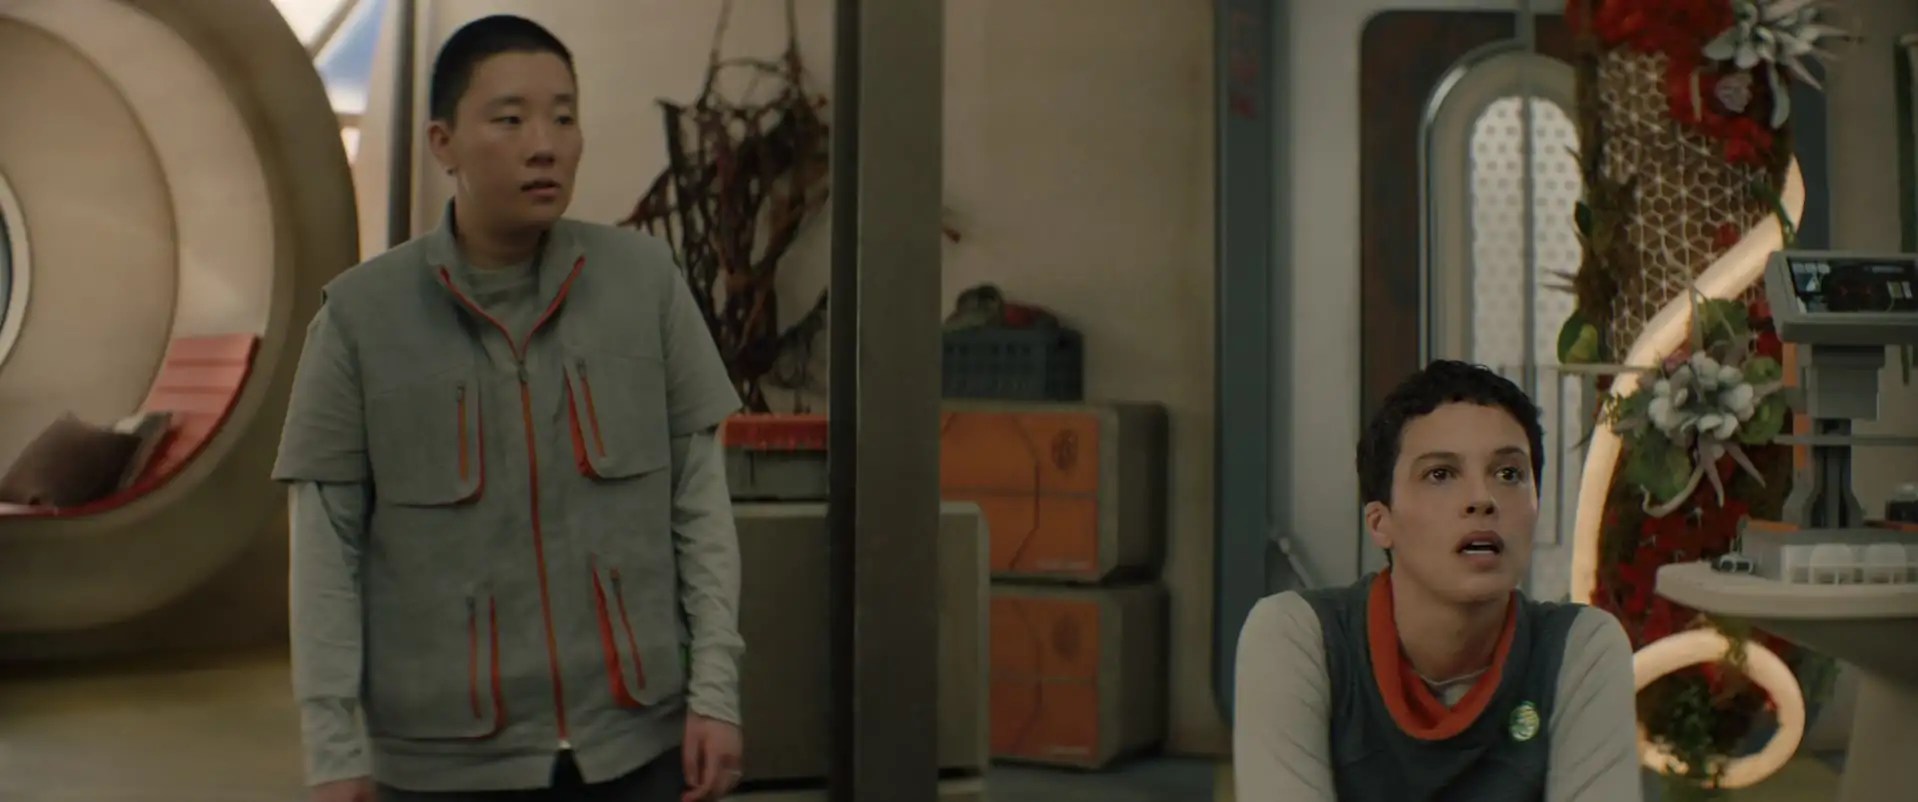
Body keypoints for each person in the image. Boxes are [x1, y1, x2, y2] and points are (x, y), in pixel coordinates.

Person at [273, 15, 746, 802]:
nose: (544, 144)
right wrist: (333, 747)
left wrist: (716, 693)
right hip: (440, 764)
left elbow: (700, 507)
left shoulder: (647, 284)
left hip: (637, 747)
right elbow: (326, 547)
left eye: (563, 117)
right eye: (510, 119)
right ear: (443, 143)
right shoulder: (360, 318)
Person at [1232, 360, 1641, 801]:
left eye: (1509, 474)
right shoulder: (1299, 637)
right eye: (1440, 474)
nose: (1482, 499)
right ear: (1380, 521)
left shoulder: (1580, 649)